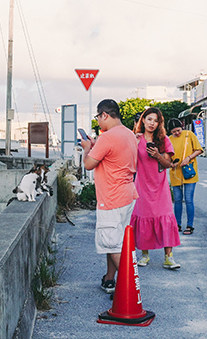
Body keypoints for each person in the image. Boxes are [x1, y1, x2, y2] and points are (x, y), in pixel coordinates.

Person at [81, 99, 139, 294]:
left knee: (111, 242)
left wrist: (86, 148)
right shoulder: (129, 134)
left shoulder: (107, 137)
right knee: (116, 240)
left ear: (104, 115)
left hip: (111, 198)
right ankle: (110, 279)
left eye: (98, 117)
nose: (98, 121)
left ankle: (130, 289)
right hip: (127, 195)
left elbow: (89, 164)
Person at [130, 108, 181, 270]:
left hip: (160, 186)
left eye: (156, 120)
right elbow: (129, 163)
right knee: (143, 217)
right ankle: (144, 255)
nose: (152, 123)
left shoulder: (164, 139)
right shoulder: (135, 139)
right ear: (143, 120)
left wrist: (158, 155)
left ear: (159, 123)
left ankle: (169, 257)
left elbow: (168, 164)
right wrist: (135, 144)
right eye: (149, 119)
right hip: (142, 185)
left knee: (165, 217)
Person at [167, 118, 203, 235]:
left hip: (189, 172)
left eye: (178, 130)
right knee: (177, 200)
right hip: (175, 173)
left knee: (188, 199)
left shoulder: (189, 134)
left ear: (181, 127)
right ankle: (177, 224)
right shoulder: (169, 139)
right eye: (174, 132)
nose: (177, 133)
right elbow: (166, 156)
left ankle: (190, 225)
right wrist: (171, 163)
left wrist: (188, 158)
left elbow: (199, 150)